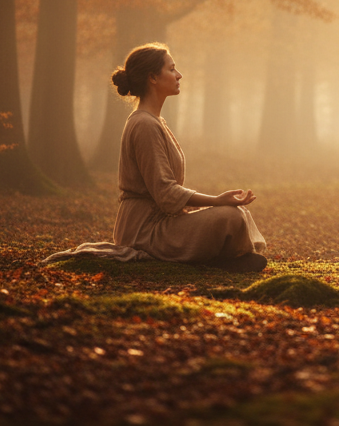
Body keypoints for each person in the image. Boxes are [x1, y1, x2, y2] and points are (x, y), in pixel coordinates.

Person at [109, 43, 267, 272]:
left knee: (238, 212)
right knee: (228, 216)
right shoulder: (144, 124)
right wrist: (216, 200)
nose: (179, 75)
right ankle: (224, 259)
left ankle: (225, 257)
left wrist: (216, 203)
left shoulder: (154, 121)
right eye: (171, 69)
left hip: (162, 222)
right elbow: (165, 193)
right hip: (144, 232)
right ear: (153, 78)